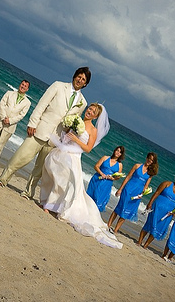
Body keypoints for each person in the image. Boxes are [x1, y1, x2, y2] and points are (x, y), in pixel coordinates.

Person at [0, 67, 90, 201]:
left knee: (40, 168)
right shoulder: (58, 86)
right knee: (21, 156)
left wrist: (64, 140)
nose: (80, 80)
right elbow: (42, 104)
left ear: (85, 84)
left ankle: (28, 192)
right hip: (41, 128)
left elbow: (74, 122)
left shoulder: (83, 103)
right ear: (74, 76)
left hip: (56, 138)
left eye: (83, 79)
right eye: (79, 77)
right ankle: (3, 178)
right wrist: (33, 123)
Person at [40, 103, 121, 249]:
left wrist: (76, 139)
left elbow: (88, 149)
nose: (90, 111)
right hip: (64, 151)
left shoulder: (93, 130)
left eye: (93, 111)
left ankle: (51, 205)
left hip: (74, 157)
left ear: (96, 116)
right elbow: (67, 137)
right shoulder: (77, 120)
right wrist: (67, 133)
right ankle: (49, 201)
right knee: (54, 174)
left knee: (68, 184)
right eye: (90, 108)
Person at [107, 153, 159, 233]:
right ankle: (109, 225)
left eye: (152, 160)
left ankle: (116, 229)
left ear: (153, 162)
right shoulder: (137, 166)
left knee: (126, 212)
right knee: (119, 208)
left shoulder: (150, 173)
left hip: (137, 194)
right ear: (146, 158)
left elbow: (146, 186)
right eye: (149, 158)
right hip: (128, 190)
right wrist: (120, 189)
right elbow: (128, 177)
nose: (149, 161)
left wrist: (142, 194)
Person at [136, 172, 175, 249]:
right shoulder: (166, 183)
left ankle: (146, 245)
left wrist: (173, 214)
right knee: (149, 224)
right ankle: (139, 241)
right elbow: (157, 193)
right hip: (157, 208)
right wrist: (150, 203)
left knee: (157, 229)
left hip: (167, 214)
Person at [86, 146, 125, 212]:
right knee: (90, 197)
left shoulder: (120, 165)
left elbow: (118, 177)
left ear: (121, 155)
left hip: (106, 184)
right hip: (97, 180)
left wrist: (112, 178)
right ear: (114, 150)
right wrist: (102, 174)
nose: (118, 153)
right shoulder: (105, 158)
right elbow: (96, 166)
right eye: (117, 150)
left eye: (120, 152)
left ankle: (92, 215)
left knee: (98, 200)